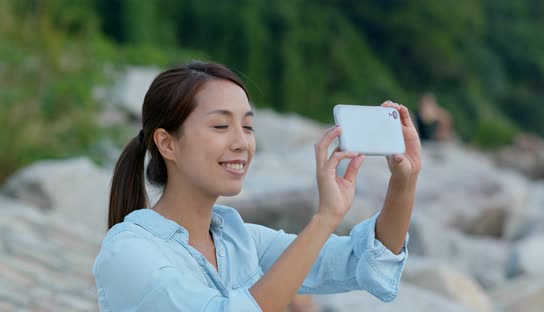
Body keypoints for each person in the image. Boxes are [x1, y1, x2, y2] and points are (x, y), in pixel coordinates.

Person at [92, 61, 422, 311]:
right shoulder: (129, 251)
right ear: (167, 143)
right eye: (221, 125)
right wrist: (324, 218)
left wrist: (404, 182)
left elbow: (361, 262)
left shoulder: (243, 240)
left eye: (248, 127)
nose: (242, 142)